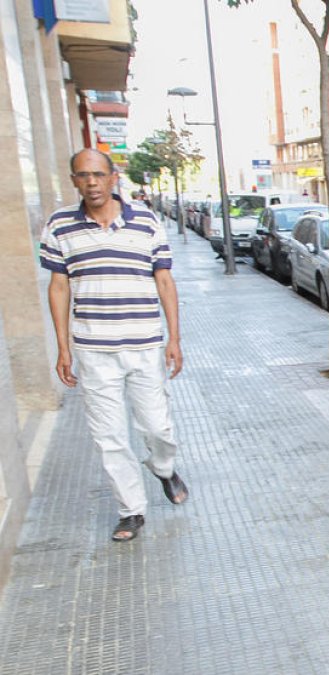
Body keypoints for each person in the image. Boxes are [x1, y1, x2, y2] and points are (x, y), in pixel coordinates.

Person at [40, 148, 189, 542]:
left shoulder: (145, 220)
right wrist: (63, 347)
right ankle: (131, 510)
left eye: (98, 174)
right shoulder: (59, 226)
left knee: (157, 426)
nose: (91, 182)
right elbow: (59, 287)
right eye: (82, 175)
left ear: (112, 178)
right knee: (109, 436)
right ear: (74, 181)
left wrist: (174, 338)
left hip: (144, 345)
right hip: (92, 349)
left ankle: (163, 467)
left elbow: (164, 281)